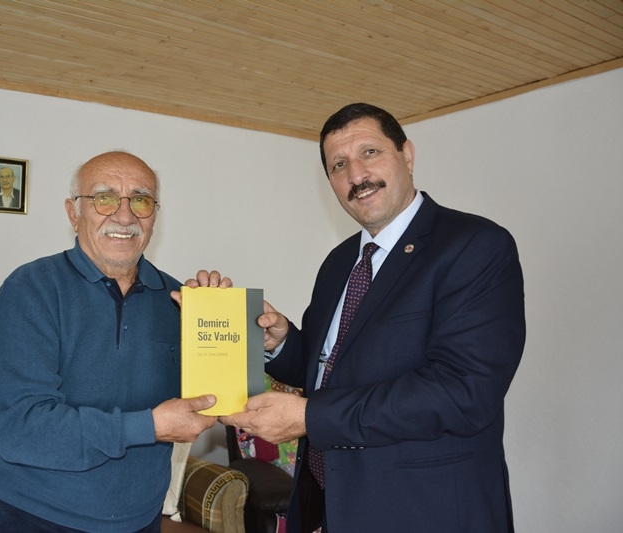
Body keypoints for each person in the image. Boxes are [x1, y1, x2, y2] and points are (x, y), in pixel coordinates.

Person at [220, 103, 526, 532]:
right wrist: (283, 341)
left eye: (370, 152)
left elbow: (462, 391)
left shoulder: (475, 246)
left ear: (407, 155)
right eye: (338, 164)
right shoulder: (339, 261)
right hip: (332, 505)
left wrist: (309, 417)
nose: (357, 175)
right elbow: (332, 369)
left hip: (427, 511)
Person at [0, 151, 227, 533]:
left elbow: (216, 398)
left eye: (141, 200)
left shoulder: (179, 300)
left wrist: (223, 323)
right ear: (74, 213)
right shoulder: (31, 288)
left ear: (154, 215)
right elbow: (21, 429)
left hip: (139, 521)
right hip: (30, 515)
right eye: (104, 198)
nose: (124, 216)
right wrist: (149, 426)